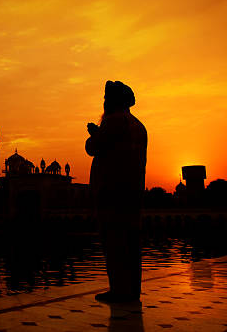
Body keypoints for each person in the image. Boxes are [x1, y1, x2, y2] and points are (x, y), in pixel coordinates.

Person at [86, 80, 147, 303]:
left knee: (114, 243)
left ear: (113, 101)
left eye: (106, 98)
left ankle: (119, 291)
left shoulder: (113, 121)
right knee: (130, 243)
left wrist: (95, 133)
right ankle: (131, 292)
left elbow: (92, 148)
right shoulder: (138, 125)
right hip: (133, 193)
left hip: (112, 193)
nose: (104, 102)